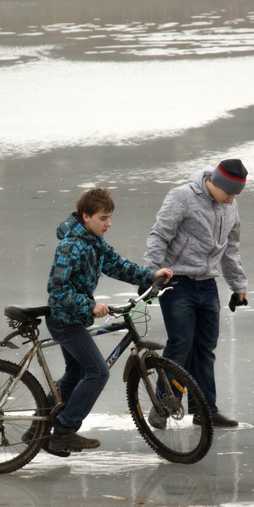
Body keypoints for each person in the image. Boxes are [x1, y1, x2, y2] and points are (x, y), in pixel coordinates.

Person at [46, 187, 172, 453]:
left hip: (73, 318)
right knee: (98, 372)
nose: (109, 223)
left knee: (76, 372)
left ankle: (39, 427)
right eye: (103, 218)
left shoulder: (93, 241)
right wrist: (90, 307)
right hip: (64, 320)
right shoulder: (71, 245)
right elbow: (58, 290)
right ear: (86, 216)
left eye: (110, 217)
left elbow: (116, 264)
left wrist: (150, 276)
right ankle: (65, 430)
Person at [144, 159, 249, 428]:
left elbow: (230, 248)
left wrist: (238, 287)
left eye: (237, 194)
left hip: (207, 285)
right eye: (230, 192)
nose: (232, 198)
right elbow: (159, 235)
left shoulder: (230, 206)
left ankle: (205, 410)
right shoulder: (182, 197)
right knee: (181, 343)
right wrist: (150, 274)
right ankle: (164, 404)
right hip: (175, 282)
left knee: (205, 348)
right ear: (216, 184)